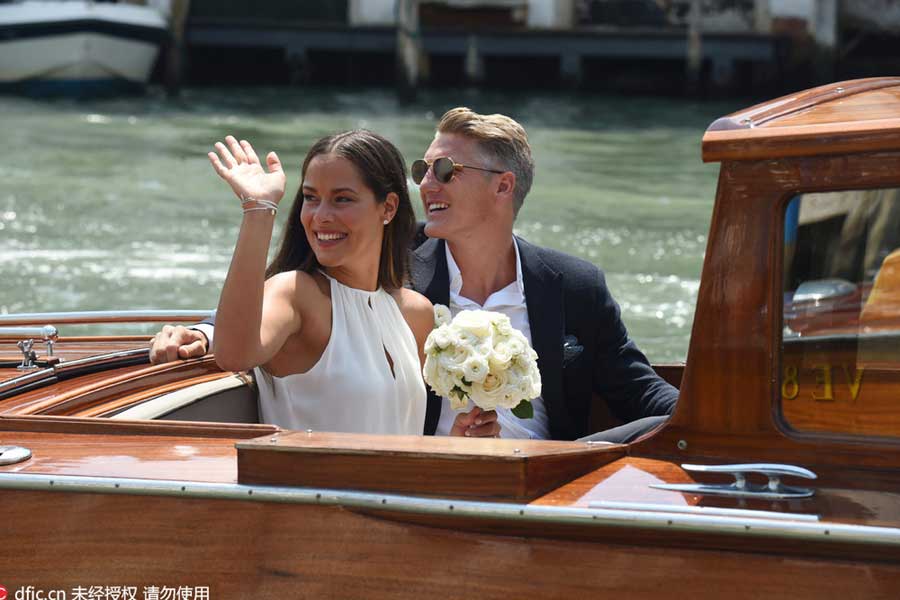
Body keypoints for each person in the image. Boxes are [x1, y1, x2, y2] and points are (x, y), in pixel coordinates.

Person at [152, 109, 678, 443]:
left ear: (503, 187)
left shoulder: (568, 286)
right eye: (420, 171)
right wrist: (203, 331)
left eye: (445, 171)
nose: (427, 184)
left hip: (537, 487)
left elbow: (640, 391)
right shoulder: (389, 257)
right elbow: (278, 304)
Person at [201, 130, 433, 435]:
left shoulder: (417, 314)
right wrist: (258, 209)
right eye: (311, 198)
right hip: (312, 484)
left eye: (342, 199)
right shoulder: (294, 294)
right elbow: (234, 354)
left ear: (388, 207)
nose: (321, 216)